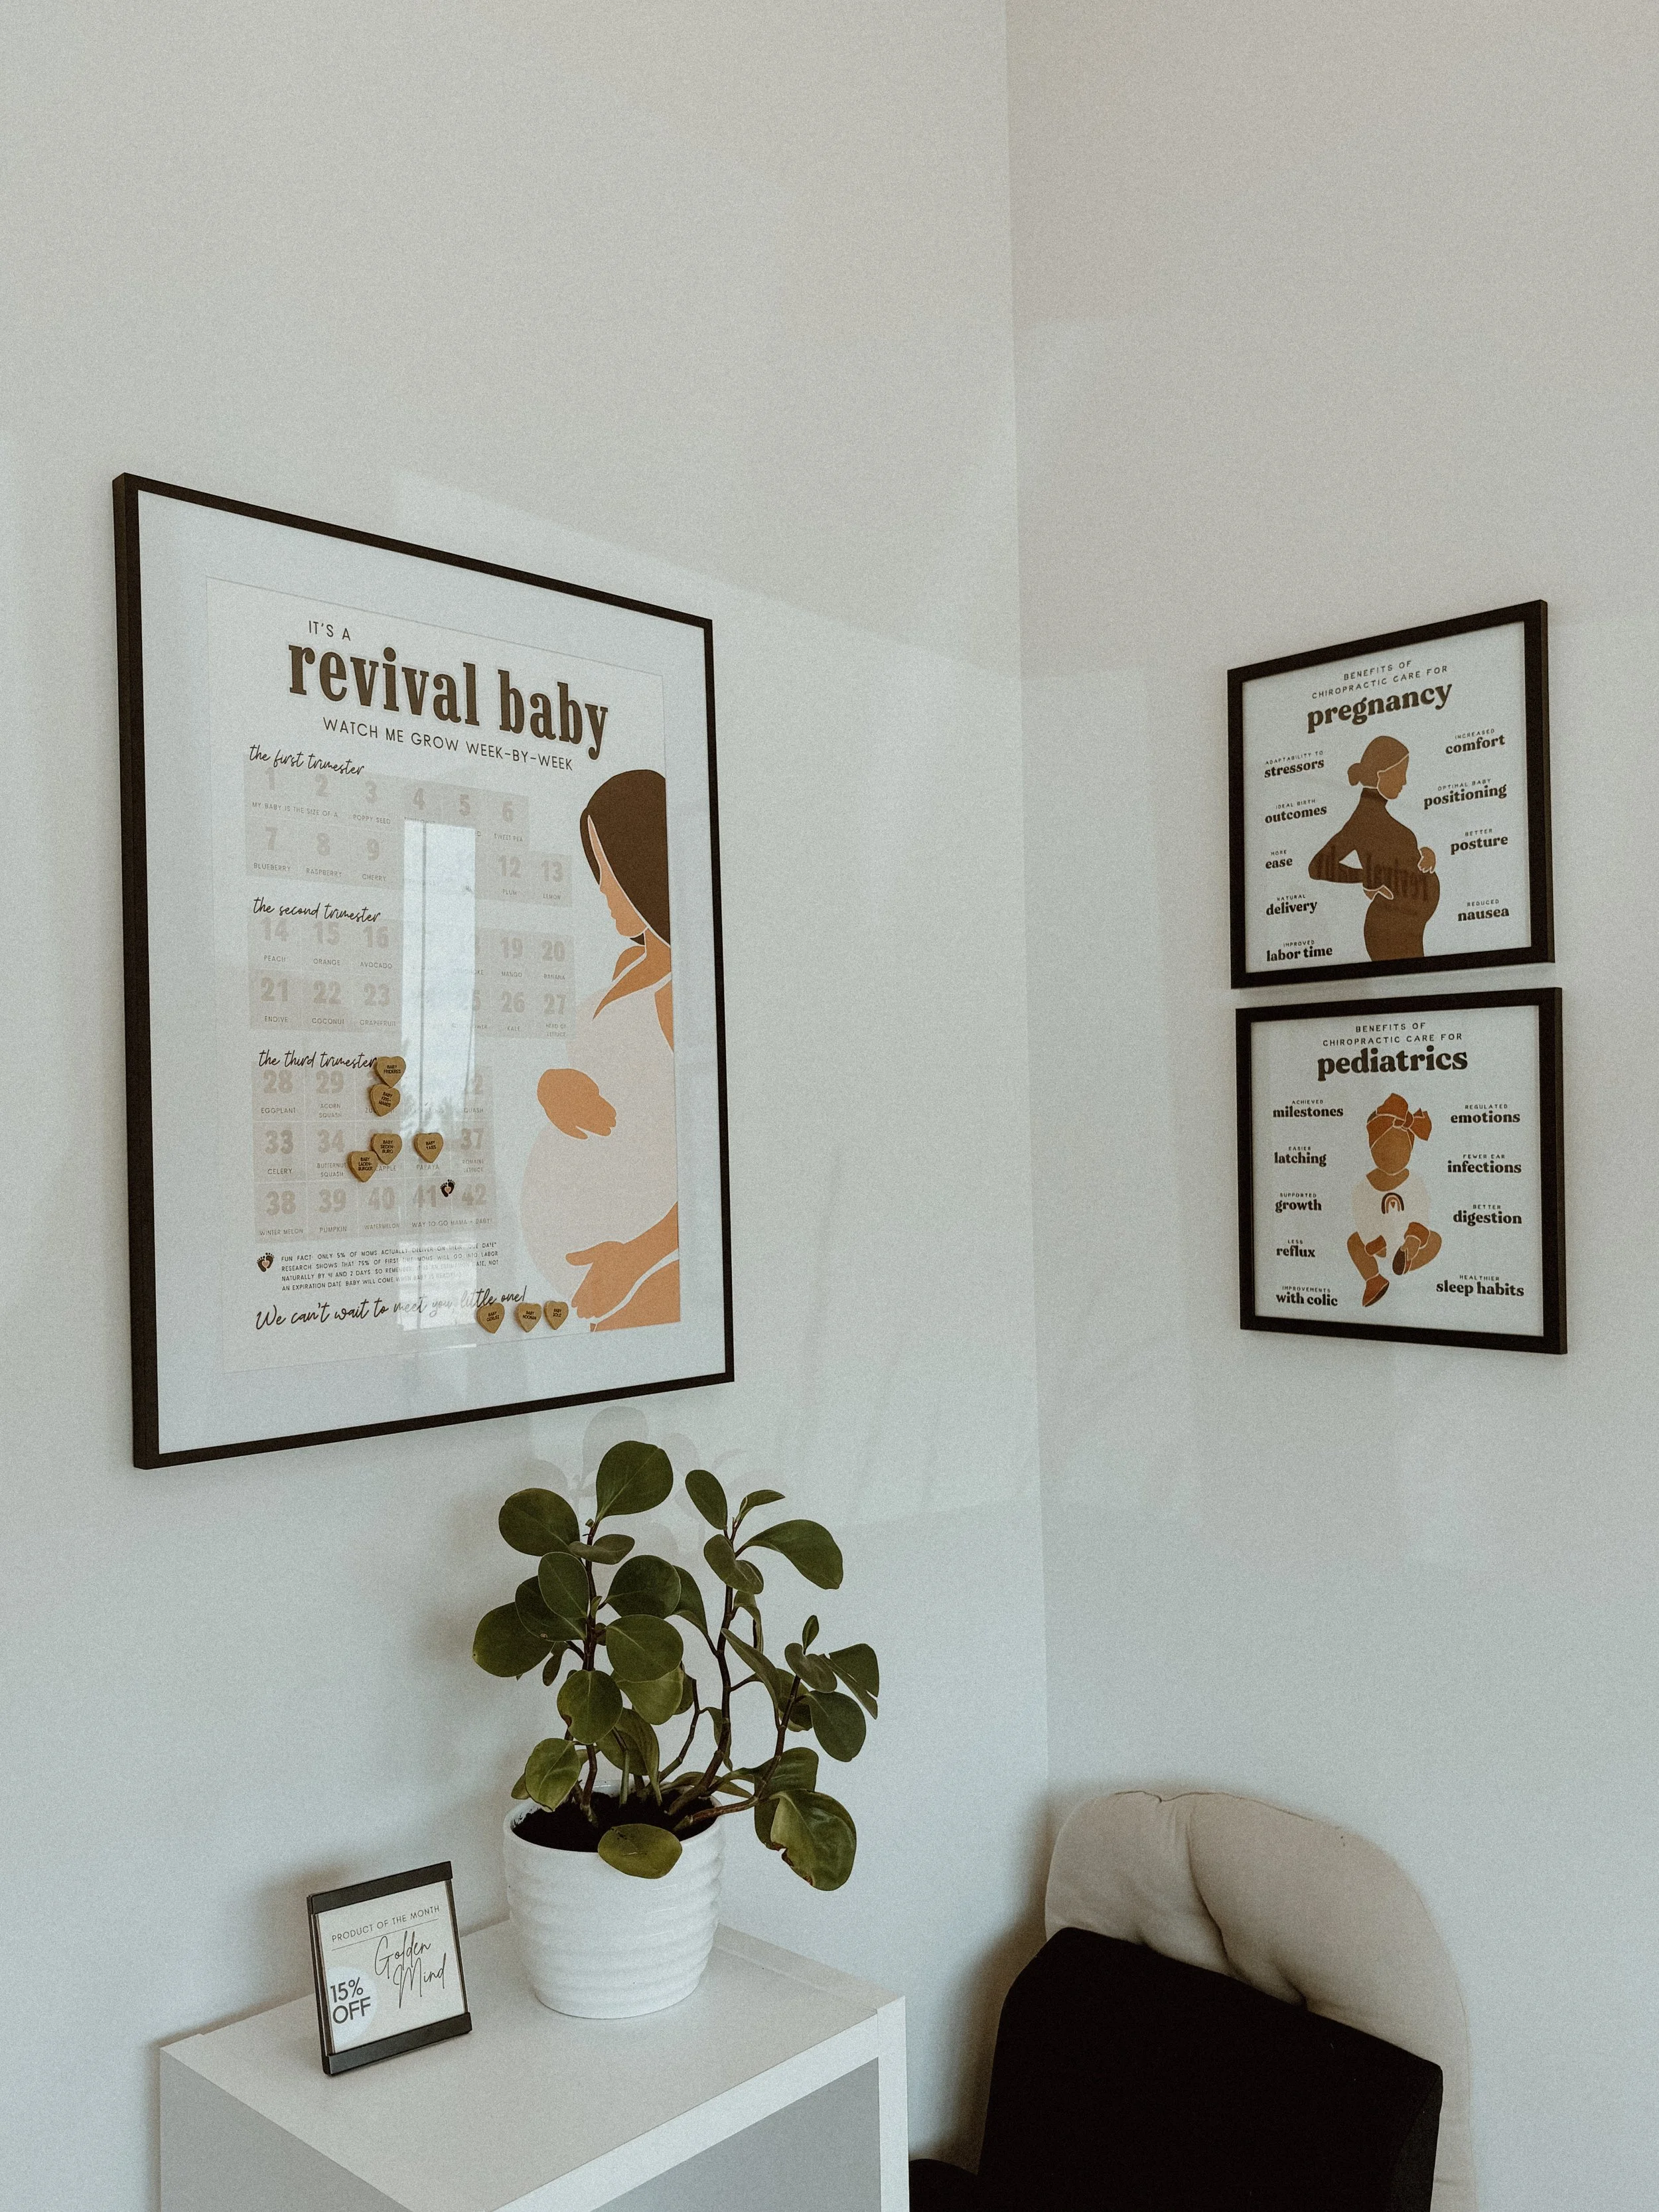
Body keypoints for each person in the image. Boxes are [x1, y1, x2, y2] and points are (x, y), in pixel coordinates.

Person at [519, 770, 679, 1330]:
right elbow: (610, 1082)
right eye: (599, 872)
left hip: (646, 1274)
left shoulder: (682, 992)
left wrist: (634, 1259)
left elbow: (710, 1165)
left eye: (610, 871)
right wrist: (551, 1088)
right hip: (608, 1277)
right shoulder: (627, 969)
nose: (605, 891)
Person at [1308, 734, 1439, 962]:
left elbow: (1394, 862)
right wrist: (1365, 876)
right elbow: (1318, 866)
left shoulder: (1377, 818)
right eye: (1400, 773)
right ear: (1381, 774)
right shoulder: (1362, 821)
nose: (1405, 781)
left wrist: (1424, 859)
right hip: (1390, 930)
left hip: (1405, 927)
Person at [1348, 1093, 1441, 1308]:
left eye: (1401, 1152)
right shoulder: (1364, 1187)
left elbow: (1420, 1211)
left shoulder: (1414, 1183)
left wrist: (1413, 1236)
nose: (1393, 1158)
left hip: (1406, 1235)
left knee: (1434, 1240)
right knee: (1354, 1241)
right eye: (1384, 1152)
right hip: (1377, 1242)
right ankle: (1374, 1280)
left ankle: (1408, 1255)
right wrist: (1375, 1238)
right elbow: (1362, 1214)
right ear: (1373, 1151)